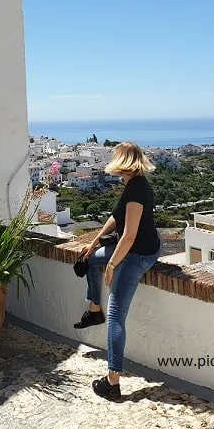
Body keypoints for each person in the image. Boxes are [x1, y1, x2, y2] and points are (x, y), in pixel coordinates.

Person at [73, 141, 161, 400]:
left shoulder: (136, 189)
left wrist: (112, 265)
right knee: (89, 260)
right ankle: (93, 310)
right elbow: (116, 217)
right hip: (131, 248)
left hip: (137, 255)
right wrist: (95, 241)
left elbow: (130, 235)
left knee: (116, 317)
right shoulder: (133, 184)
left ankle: (113, 382)